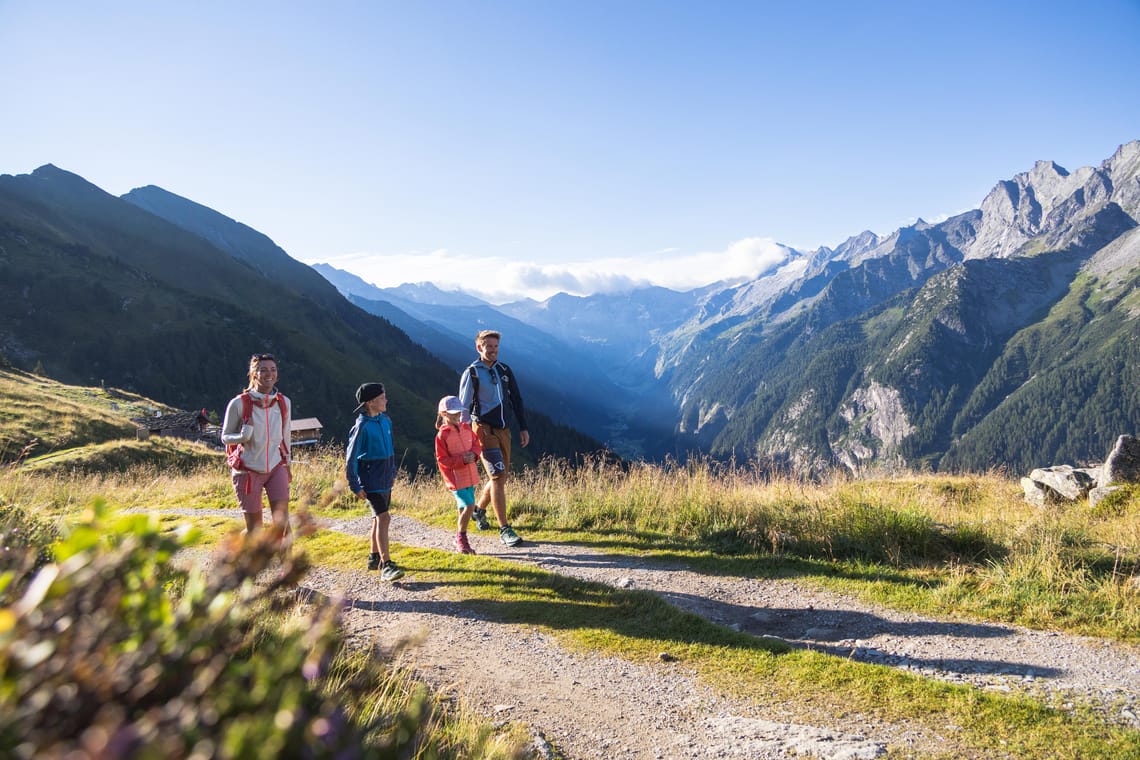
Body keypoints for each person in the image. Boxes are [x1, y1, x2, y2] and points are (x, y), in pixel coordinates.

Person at [457, 330, 529, 547]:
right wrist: (465, 435)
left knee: (501, 476)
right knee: (497, 476)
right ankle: (505, 529)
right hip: (484, 430)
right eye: (488, 346)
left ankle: (479, 510)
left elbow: (516, 399)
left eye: (496, 347)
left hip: (504, 429)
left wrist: (523, 427)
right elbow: (463, 407)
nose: (493, 350)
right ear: (479, 348)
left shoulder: (504, 370)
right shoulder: (472, 373)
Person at [221, 353, 292, 545]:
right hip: (248, 471)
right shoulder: (239, 403)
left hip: (276, 467)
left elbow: (285, 437)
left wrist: (287, 465)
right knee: (254, 530)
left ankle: (287, 571)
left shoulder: (284, 402)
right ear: (253, 374)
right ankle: (241, 564)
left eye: (273, 369)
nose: (269, 374)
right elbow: (225, 436)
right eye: (263, 370)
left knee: (283, 525)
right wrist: (243, 436)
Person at [345, 382, 404, 580]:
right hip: (370, 479)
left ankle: (373, 557)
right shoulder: (361, 427)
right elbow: (351, 457)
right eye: (382, 398)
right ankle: (386, 564)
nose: (386, 400)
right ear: (370, 402)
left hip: (385, 477)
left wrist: (393, 470)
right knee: (384, 518)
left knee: (378, 519)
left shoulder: (385, 420)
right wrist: (354, 484)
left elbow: (391, 448)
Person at [434, 395, 482, 554]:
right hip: (455, 479)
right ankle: (461, 538)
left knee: (464, 508)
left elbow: (476, 444)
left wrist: (474, 455)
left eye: (459, 412)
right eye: (453, 413)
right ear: (443, 414)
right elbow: (442, 460)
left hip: (470, 475)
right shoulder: (442, 435)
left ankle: (459, 539)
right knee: (469, 506)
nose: (457, 416)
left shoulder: (467, 428)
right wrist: (462, 459)